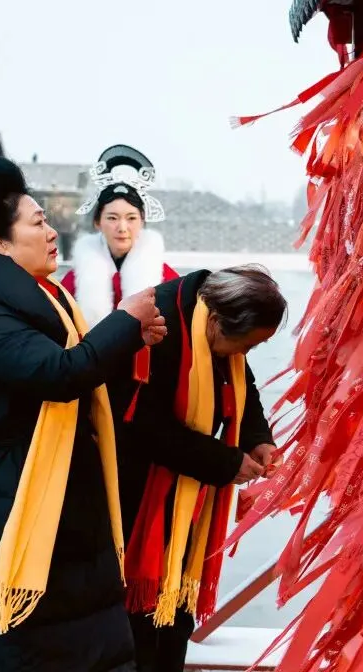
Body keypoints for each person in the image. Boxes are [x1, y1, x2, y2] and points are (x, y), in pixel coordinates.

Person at [0, 156, 167, 672]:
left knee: (79, 645)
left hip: (62, 498)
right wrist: (124, 322)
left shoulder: (48, 299)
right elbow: (60, 373)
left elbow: (85, 374)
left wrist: (131, 337)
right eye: (37, 222)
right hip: (7, 500)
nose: (51, 232)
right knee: (21, 653)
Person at [110, 264, 287, 672]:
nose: (245, 355)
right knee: (136, 623)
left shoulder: (212, 318)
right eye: (246, 345)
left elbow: (242, 386)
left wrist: (257, 439)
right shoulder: (158, 325)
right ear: (219, 323)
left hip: (187, 497)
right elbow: (144, 427)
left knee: (175, 617)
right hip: (133, 496)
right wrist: (225, 462)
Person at [61, 144, 178, 326]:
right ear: (97, 222)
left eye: (131, 218)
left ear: (142, 221)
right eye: (112, 218)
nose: (122, 228)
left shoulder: (166, 279)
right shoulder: (74, 281)